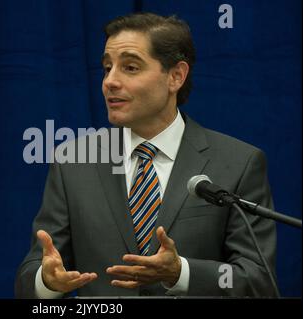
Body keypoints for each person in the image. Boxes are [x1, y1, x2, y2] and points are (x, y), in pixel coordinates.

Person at [15, 12, 277, 298]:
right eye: (106, 68)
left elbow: (258, 281)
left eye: (130, 67)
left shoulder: (238, 163)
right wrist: (47, 281)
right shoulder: (74, 161)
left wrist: (181, 273)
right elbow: (31, 278)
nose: (109, 82)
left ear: (176, 76)